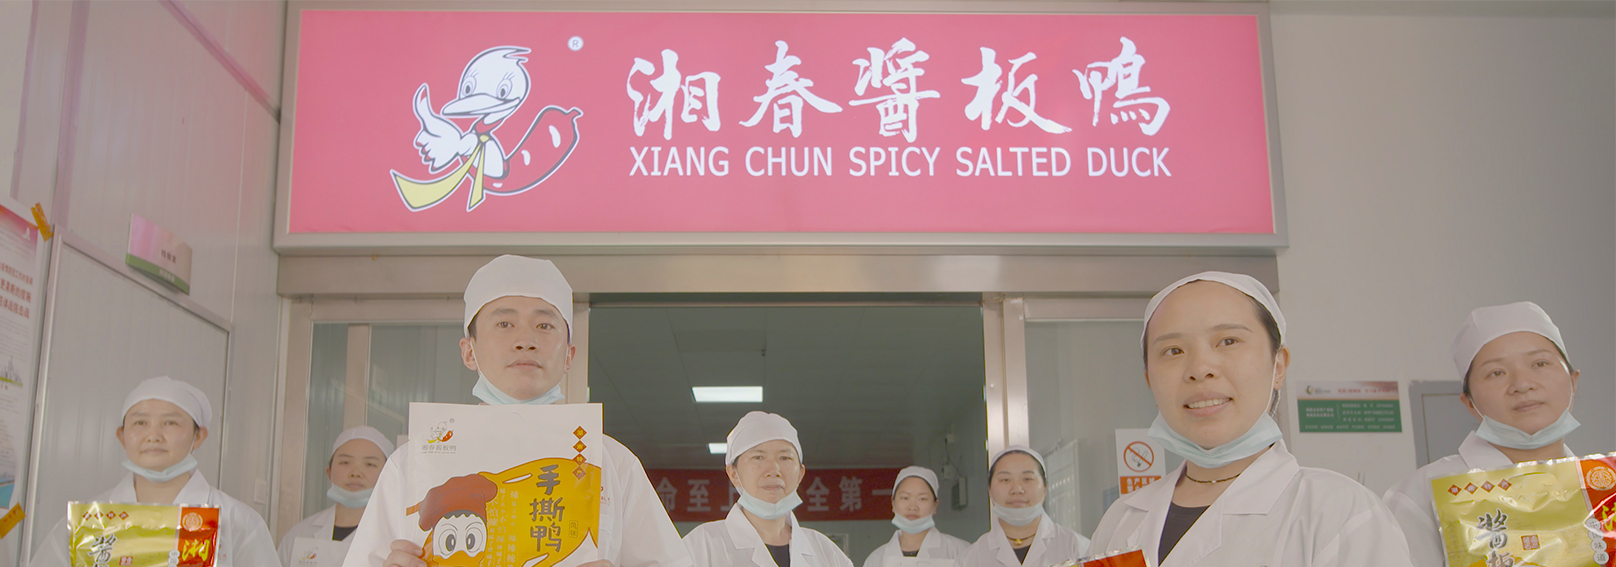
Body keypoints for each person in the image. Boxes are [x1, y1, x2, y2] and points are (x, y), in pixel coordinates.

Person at [343, 255, 690, 567]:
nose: (526, 341)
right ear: (469, 351)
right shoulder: (412, 464)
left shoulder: (611, 461)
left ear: (569, 356)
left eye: (544, 325)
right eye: (504, 324)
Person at [1088, 272, 1413, 566]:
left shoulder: (1340, 513)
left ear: (1278, 366)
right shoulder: (1121, 520)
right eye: (1173, 350)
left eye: (1228, 341)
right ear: (1149, 379)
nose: (1200, 369)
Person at [1384, 302, 1582, 566]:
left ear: (1573, 381)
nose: (1522, 384)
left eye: (1540, 363)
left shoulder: (1601, 486)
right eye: (1496, 372)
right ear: (1469, 402)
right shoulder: (1421, 495)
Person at [30, 376, 278, 567]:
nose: (153, 435)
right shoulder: (88, 522)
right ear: (122, 436)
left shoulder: (238, 522)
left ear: (199, 435)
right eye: (140, 422)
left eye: (170, 423)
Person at [683, 411, 853, 567]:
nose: (773, 470)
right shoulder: (701, 546)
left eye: (785, 458)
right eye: (758, 457)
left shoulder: (827, 553)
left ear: (800, 474)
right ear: (733, 473)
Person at [279, 426, 395, 567]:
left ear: (388, 476)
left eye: (370, 464)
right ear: (329, 472)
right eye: (345, 462)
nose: (356, 472)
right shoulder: (300, 533)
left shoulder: (396, 535)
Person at [957, 446, 1089, 566]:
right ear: (990, 490)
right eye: (1005, 480)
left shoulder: (1077, 548)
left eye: (1027, 479)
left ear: (1045, 488)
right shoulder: (970, 559)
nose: (1017, 489)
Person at [861, 466, 968, 567]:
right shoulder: (876, 560)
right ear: (893, 504)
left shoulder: (960, 551)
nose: (912, 507)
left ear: (935, 505)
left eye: (922, 499)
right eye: (905, 498)